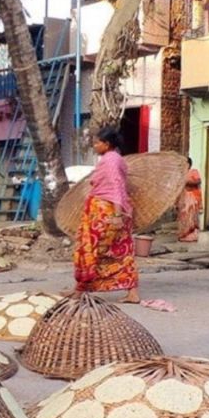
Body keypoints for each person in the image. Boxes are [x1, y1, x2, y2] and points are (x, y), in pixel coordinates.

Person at [72, 126, 140, 303]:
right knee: (121, 251)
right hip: (114, 210)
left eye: (97, 143)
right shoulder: (116, 159)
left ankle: (81, 290)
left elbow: (115, 186)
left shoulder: (110, 160)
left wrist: (117, 215)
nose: (94, 146)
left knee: (91, 249)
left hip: (106, 212)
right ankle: (132, 292)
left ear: (107, 144)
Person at [177, 157, 203, 242]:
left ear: (188, 164)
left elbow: (198, 181)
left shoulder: (194, 172)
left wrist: (187, 182)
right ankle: (183, 236)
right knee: (183, 217)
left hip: (192, 199)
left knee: (192, 218)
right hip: (184, 199)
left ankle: (192, 236)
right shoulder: (181, 174)